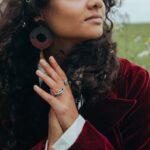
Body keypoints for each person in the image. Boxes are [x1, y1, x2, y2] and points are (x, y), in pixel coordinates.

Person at [0, 0, 149, 149]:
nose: (97, 3)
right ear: (37, 10)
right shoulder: (6, 81)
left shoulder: (133, 81)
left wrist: (74, 129)